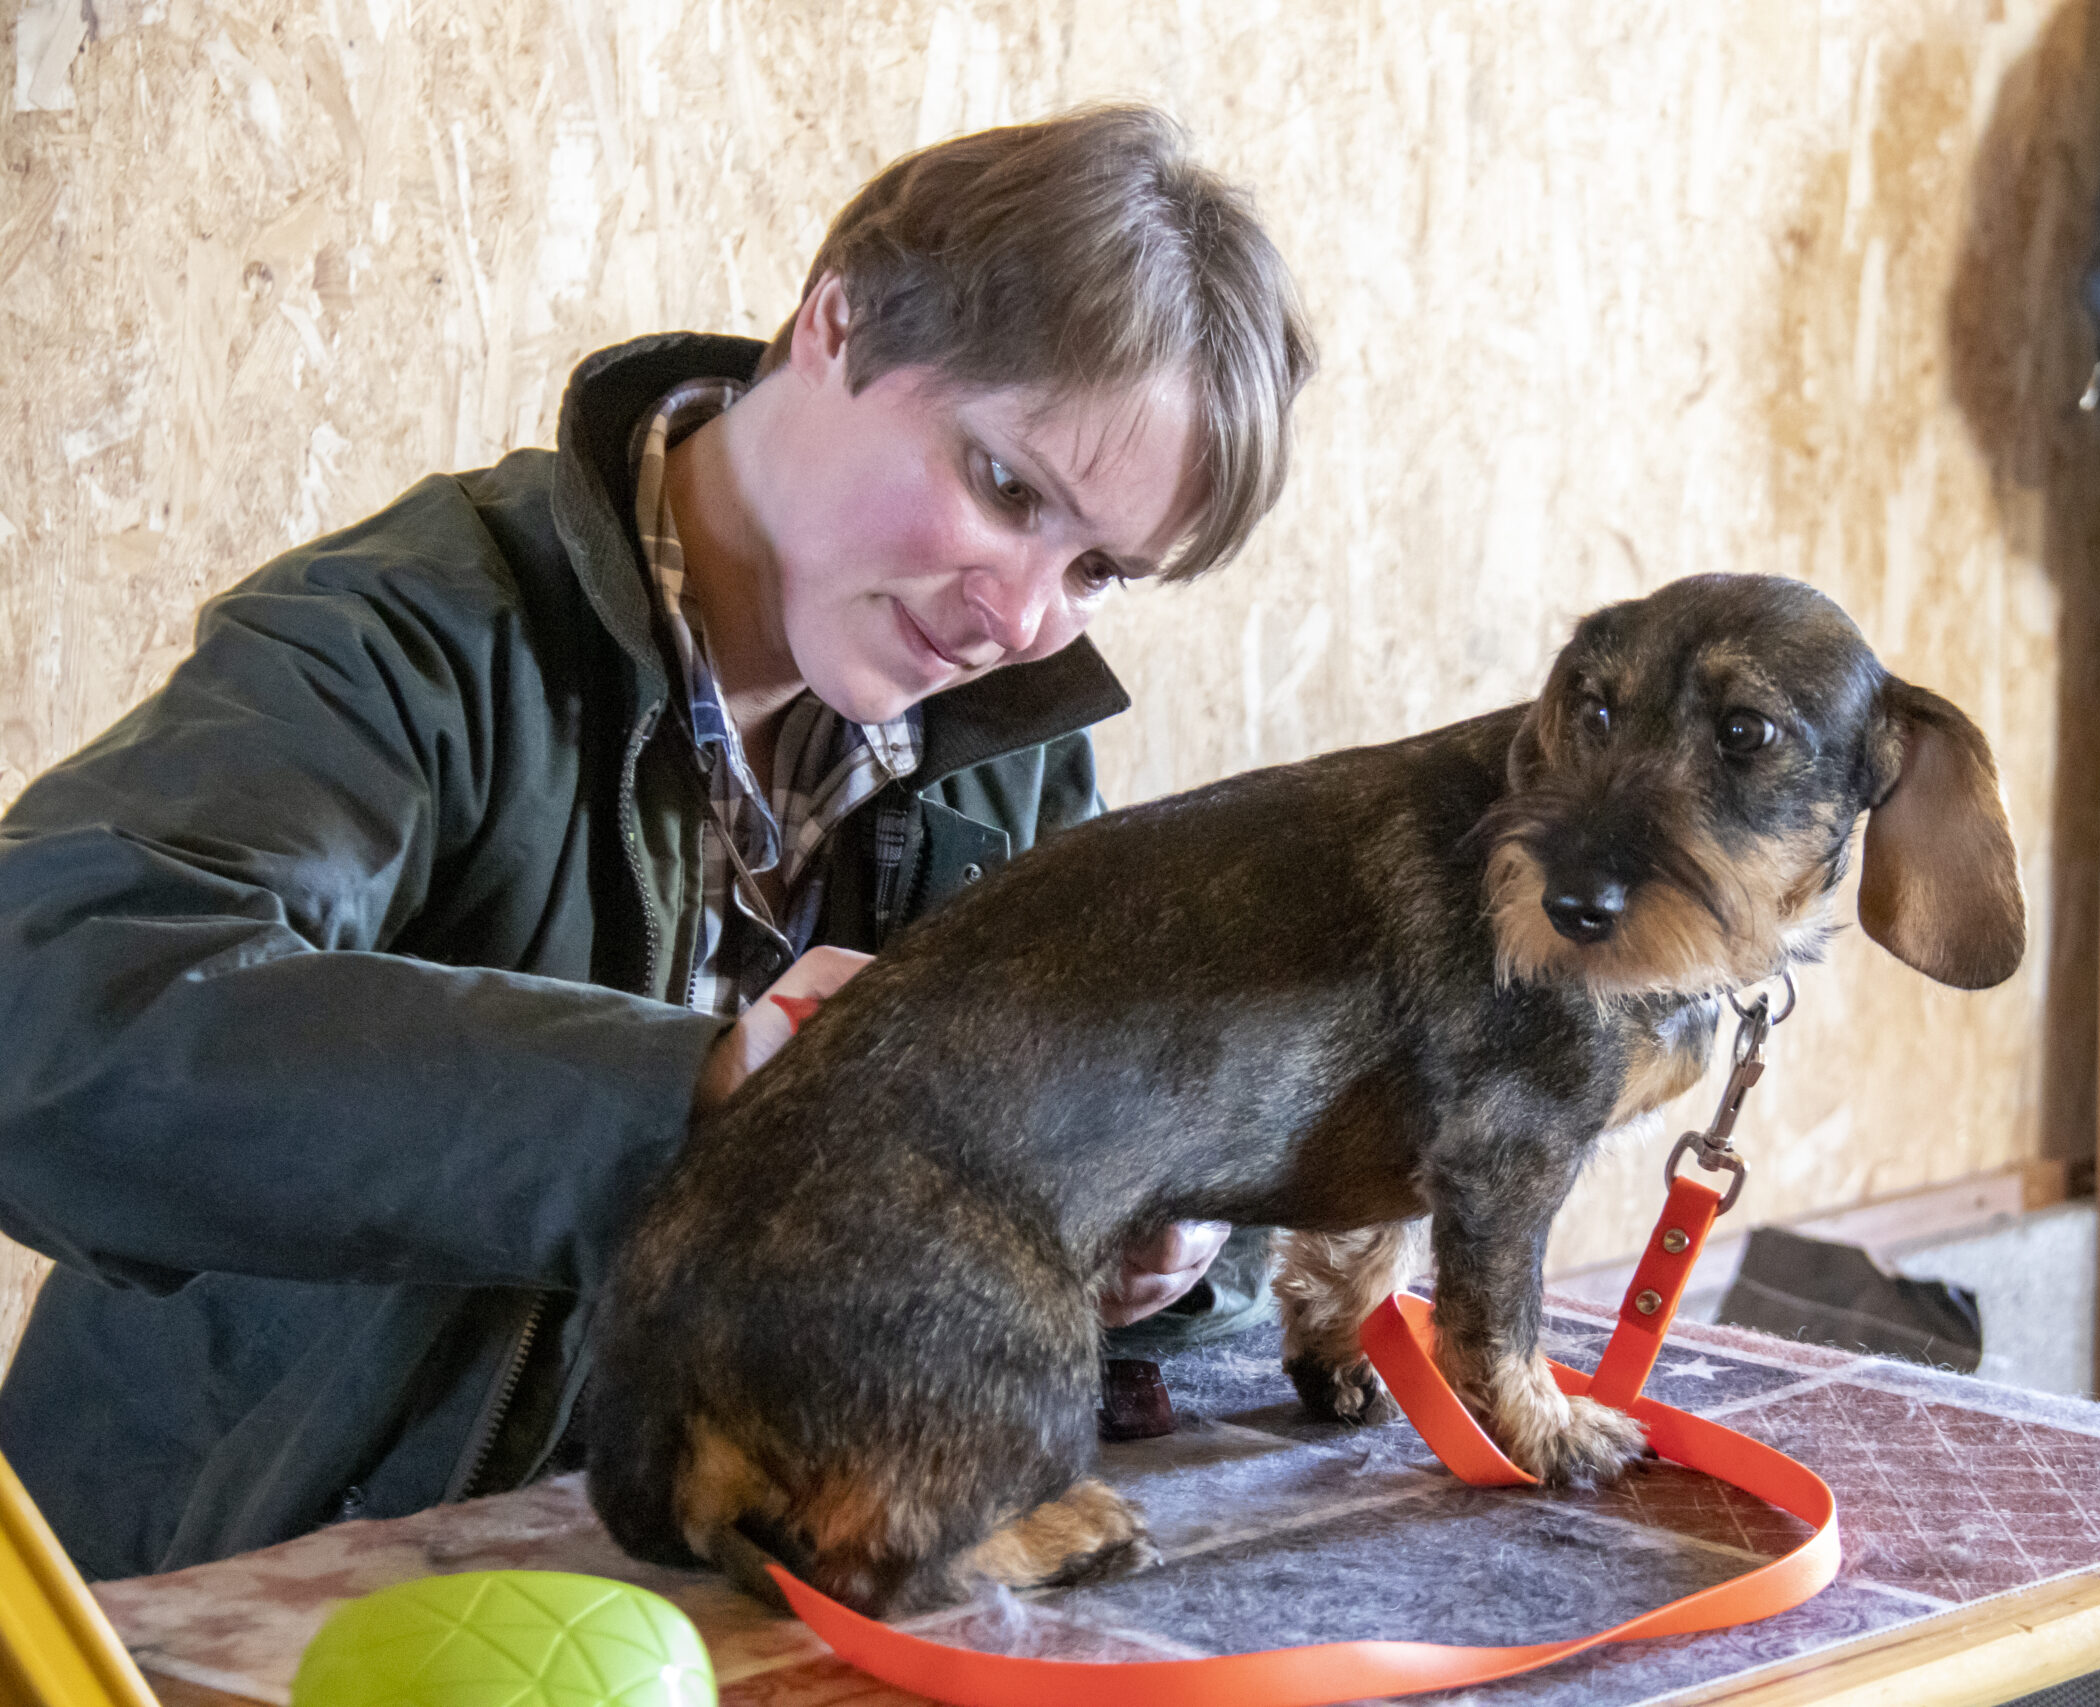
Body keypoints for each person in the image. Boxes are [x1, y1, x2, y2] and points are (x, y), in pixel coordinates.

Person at [0, 104, 1316, 1582]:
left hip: (691, 1604)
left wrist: (1164, 1234)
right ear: (837, 323)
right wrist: (694, 1102)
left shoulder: (1009, 756)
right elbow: (45, 1014)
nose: (1017, 618)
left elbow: (1098, 1149)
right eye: (1007, 489)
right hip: (216, 1602)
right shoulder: (412, 640)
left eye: (1097, 570)